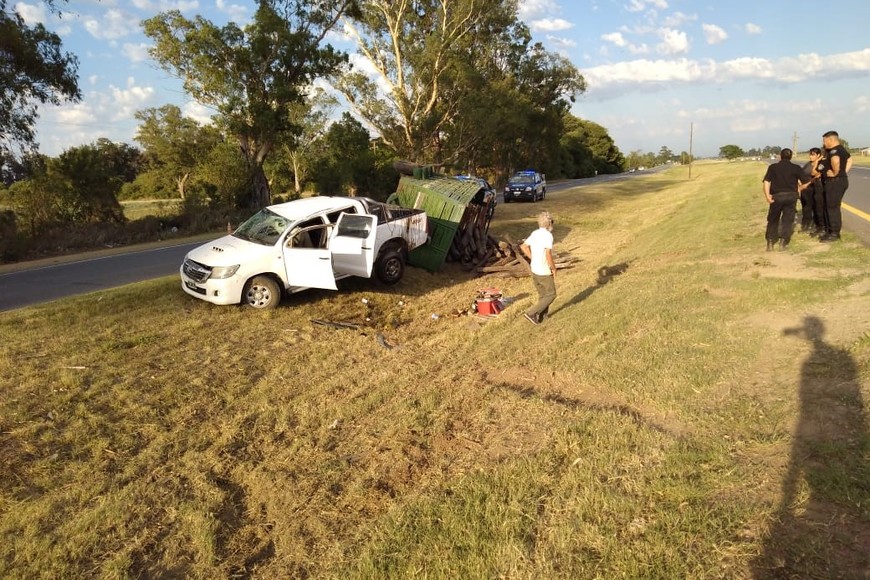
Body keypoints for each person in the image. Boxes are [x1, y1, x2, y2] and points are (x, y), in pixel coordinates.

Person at [762, 148, 808, 251]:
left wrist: (767, 196)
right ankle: (783, 242)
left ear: (780, 156)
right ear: (791, 157)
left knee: (773, 220)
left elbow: (766, 182)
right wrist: (798, 189)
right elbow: (805, 182)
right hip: (791, 196)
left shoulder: (773, 167)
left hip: (777, 196)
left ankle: (770, 242)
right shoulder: (796, 168)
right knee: (787, 220)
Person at [520, 211, 556, 324]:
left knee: (543, 295)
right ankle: (531, 313)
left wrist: (532, 258)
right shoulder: (548, 236)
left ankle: (541, 317)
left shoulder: (535, 233)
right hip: (543, 270)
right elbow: (548, 255)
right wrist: (554, 268)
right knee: (551, 294)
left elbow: (523, 246)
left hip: (534, 269)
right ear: (550, 223)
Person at [819, 130, 851, 242]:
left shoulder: (834, 151)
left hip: (835, 182)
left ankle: (834, 233)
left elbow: (835, 161)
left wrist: (836, 172)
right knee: (831, 206)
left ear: (831, 139)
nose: (824, 143)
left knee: (832, 207)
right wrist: (843, 172)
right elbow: (850, 160)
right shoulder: (842, 149)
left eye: (824, 141)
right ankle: (830, 230)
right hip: (839, 180)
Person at [799, 147, 826, 236]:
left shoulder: (820, 165)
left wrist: (806, 184)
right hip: (805, 190)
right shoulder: (808, 164)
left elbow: (816, 175)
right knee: (806, 208)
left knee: (815, 208)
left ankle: (817, 225)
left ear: (818, 155)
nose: (810, 156)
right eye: (810, 154)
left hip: (812, 188)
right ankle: (806, 225)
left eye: (813, 155)